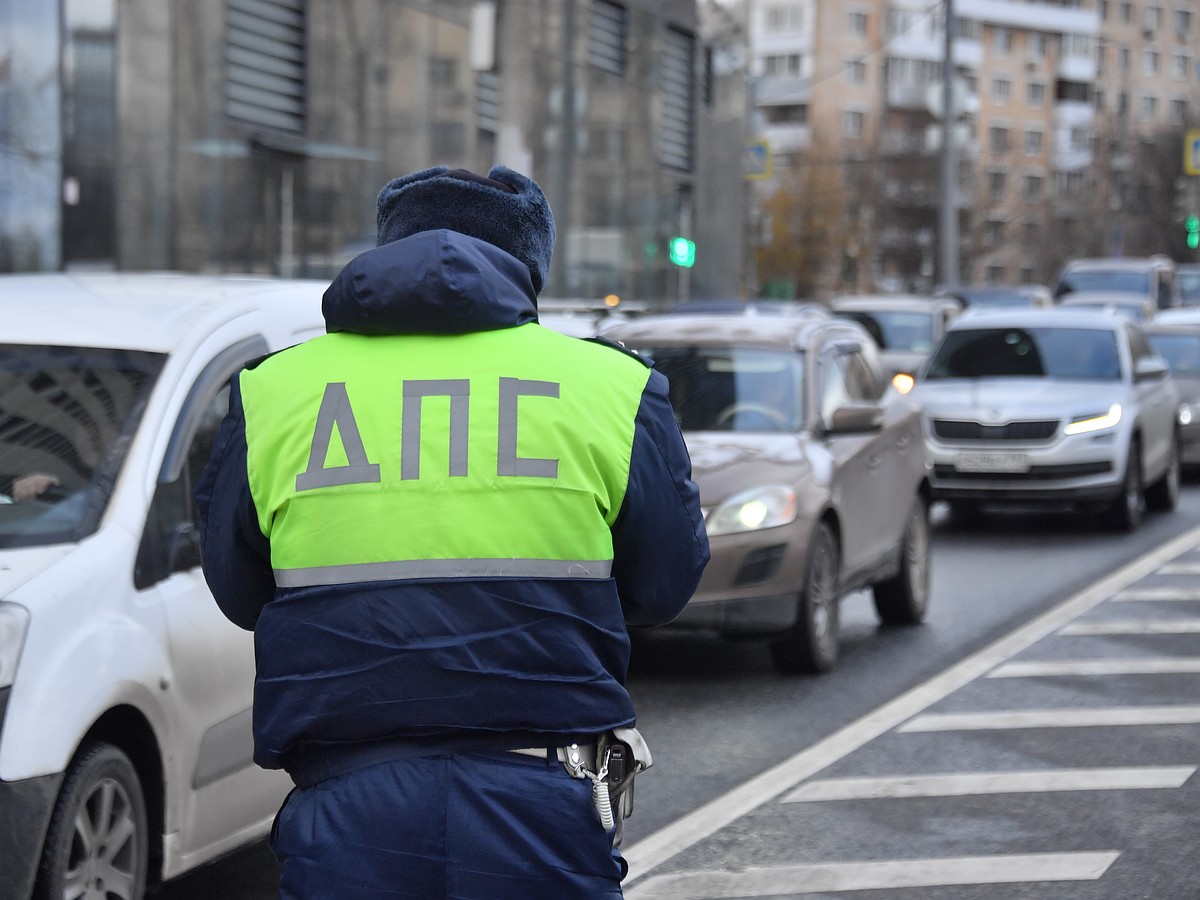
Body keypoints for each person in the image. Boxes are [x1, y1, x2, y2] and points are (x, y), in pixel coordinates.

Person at [194, 165, 709, 899]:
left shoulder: (275, 390)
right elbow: (666, 583)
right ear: (530, 266)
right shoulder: (612, 388)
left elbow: (239, 587)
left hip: (344, 810)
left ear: (386, 247)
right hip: (541, 802)